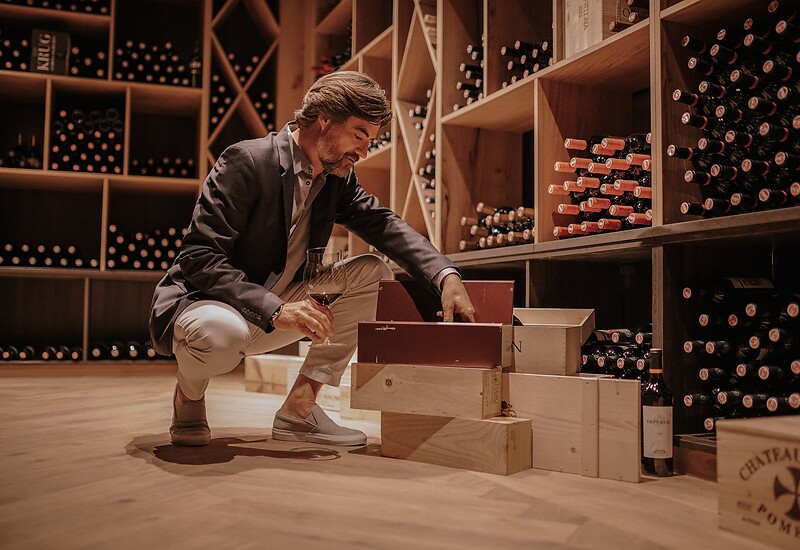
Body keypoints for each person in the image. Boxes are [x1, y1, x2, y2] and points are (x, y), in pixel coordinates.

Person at [149, 71, 475, 447]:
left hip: (278, 306)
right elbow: (199, 257)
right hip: (210, 306)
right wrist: (274, 309)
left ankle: (299, 409)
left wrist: (445, 274)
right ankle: (188, 395)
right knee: (222, 335)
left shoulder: (337, 178)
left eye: (370, 141)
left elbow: (385, 225)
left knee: (373, 274)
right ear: (324, 118)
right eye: (358, 135)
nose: (363, 152)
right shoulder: (246, 160)